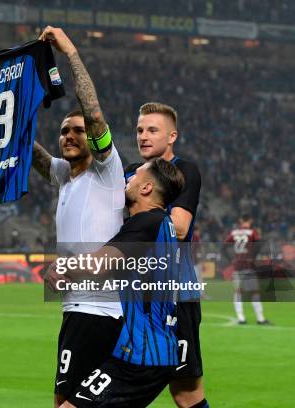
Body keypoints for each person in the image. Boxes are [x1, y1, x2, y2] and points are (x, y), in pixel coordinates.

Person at [0, 26, 125, 407]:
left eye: (77, 131)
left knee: (67, 404)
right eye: (63, 131)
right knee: (62, 399)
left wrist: (70, 53)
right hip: (74, 306)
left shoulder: (107, 170)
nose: (69, 136)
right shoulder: (64, 175)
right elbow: (21, 140)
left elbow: (92, 110)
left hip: (100, 309)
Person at [53, 158, 186, 407]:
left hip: (139, 358)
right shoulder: (164, 225)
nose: (127, 180)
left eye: (134, 176)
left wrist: (61, 265)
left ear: (146, 188)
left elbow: (99, 265)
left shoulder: (145, 223)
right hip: (156, 352)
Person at [125, 102, 208, 408]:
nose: (143, 136)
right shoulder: (130, 174)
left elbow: (181, 227)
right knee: (117, 380)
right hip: (135, 298)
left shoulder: (184, 171)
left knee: (185, 393)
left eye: (152, 130)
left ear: (171, 136)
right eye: (139, 130)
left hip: (176, 297)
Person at [225, 214, 270, 324]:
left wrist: (230, 259)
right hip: (248, 266)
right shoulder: (252, 232)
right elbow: (258, 245)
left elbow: (224, 246)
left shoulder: (234, 233)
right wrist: (253, 257)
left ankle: (241, 318)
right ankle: (260, 318)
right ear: (250, 220)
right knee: (254, 292)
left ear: (241, 220)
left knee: (238, 293)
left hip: (237, 266)